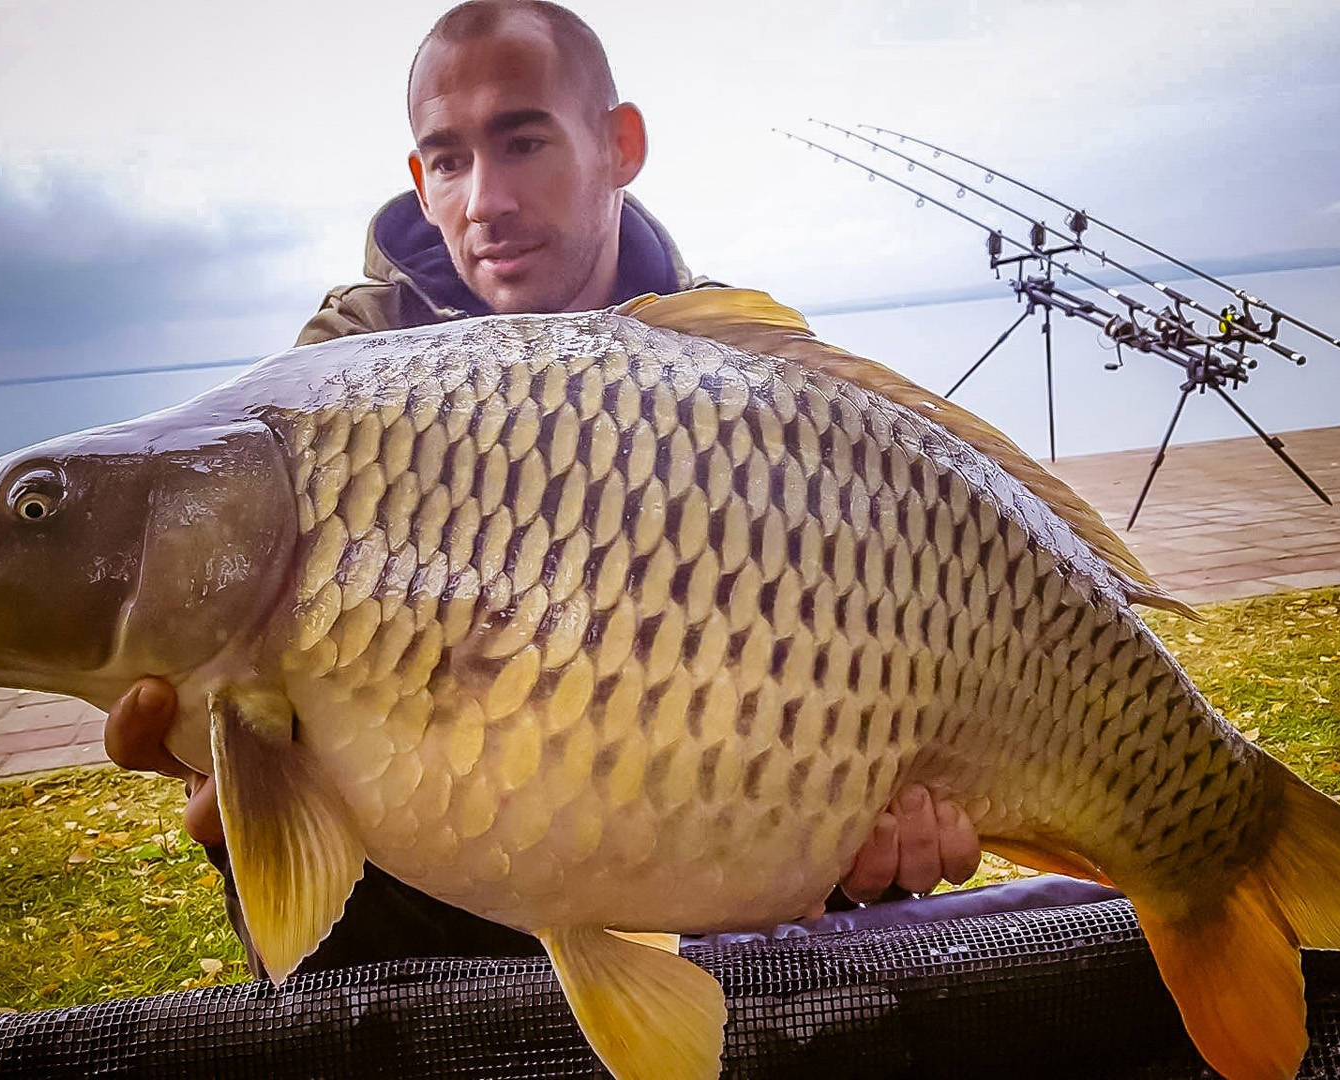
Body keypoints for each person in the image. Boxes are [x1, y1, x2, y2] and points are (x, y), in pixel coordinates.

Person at [104, 0, 981, 973]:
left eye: (522, 142)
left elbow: (864, 693)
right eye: (448, 158)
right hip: (423, 872)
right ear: (420, 179)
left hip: (679, 851)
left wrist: (871, 842)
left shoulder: (740, 390)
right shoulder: (343, 369)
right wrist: (233, 761)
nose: (485, 199)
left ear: (619, 145)